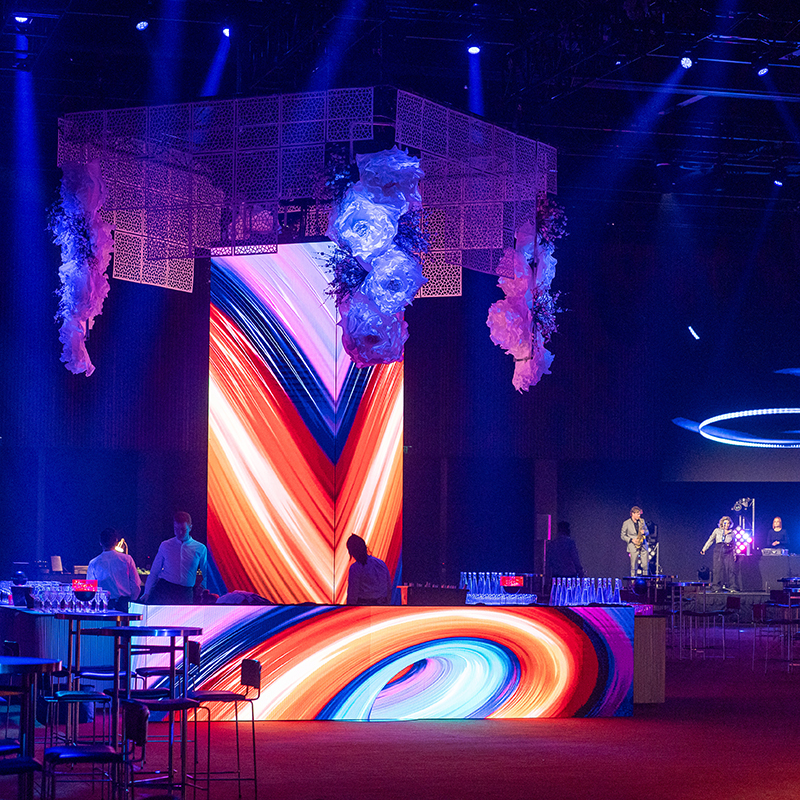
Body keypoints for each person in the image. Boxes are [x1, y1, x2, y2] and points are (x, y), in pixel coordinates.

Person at [142, 512, 208, 605]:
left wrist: (203, 586)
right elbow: (154, 572)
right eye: (176, 529)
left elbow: (207, 574)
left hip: (186, 592)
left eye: (183, 529)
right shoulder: (165, 545)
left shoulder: (200, 548)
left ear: (190, 527)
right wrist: (147, 592)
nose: (179, 533)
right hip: (166, 589)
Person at [87, 528, 142, 611]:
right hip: (124, 604)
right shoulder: (127, 559)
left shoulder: (93, 563)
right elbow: (136, 584)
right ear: (116, 542)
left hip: (103, 605)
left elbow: (90, 588)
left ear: (100, 543)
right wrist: (132, 601)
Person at [345, 534, 391, 605]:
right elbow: (388, 588)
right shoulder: (381, 563)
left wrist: (348, 609)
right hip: (382, 605)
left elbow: (352, 594)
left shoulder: (355, 568)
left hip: (363, 607)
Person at [701, 516, 736, 592]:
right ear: (722, 523)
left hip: (728, 550)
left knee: (731, 569)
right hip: (718, 549)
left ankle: (732, 586)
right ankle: (716, 587)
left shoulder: (732, 533)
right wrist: (704, 549)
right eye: (725, 523)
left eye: (728, 523)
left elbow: (734, 545)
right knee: (718, 569)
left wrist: (734, 554)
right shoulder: (717, 531)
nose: (727, 525)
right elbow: (710, 540)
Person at [621, 506, 649, 577]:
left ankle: (646, 583)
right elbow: (622, 536)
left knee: (645, 565)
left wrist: (644, 532)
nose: (639, 516)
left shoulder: (642, 521)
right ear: (633, 514)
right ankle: (633, 582)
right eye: (638, 514)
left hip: (643, 544)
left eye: (640, 514)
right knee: (634, 566)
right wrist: (631, 540)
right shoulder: (626, 523)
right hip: (633, 545)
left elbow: (647, 531)